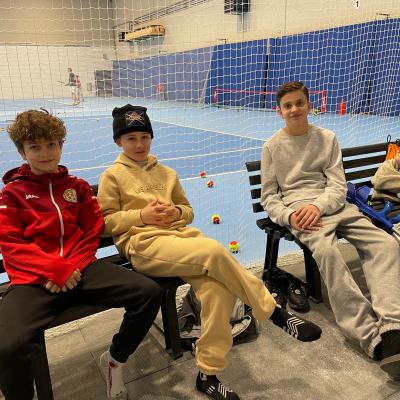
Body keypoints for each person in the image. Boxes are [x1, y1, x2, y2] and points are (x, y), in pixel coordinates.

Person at [97, 104, 322, 400]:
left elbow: (187, 211)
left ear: (151, 138)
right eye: (131, 139)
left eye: (144, 137)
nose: (139, 144)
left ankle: (208, 375)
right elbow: (104, 224)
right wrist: (142, 216)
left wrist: (177, 212)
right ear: (119, 142)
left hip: (181, 240)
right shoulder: (112, 176)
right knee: (214, 251)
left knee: (219, 291)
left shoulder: (166, 173)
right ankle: (272, 311)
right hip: (144, 245)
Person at [0, 109, 163, 400]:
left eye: (51, 144)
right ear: (22, 152)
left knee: (149, 292)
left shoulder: (77, 188)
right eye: (35, 147)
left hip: (82, 270)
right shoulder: (11, 194)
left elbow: (92, 230)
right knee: (8, 346)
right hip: (33, 281)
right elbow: (11, 243)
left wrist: (72, 267)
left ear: (61, 146)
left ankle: (115, 358)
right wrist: (54, 269)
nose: (45, 153)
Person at [260, 81, 400, 379]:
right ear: (280, 111)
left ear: (309, 105)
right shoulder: (271, 147)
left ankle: (392, 328)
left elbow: (338, 185)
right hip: (301, 214)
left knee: (385, 244)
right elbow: (269, 197)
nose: (294, 109)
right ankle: (370, 337)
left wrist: (319, 205)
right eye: (287, 105)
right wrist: (290, 215)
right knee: (328, 253)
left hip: (334, 206)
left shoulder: (327, 138)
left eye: (299, 103)